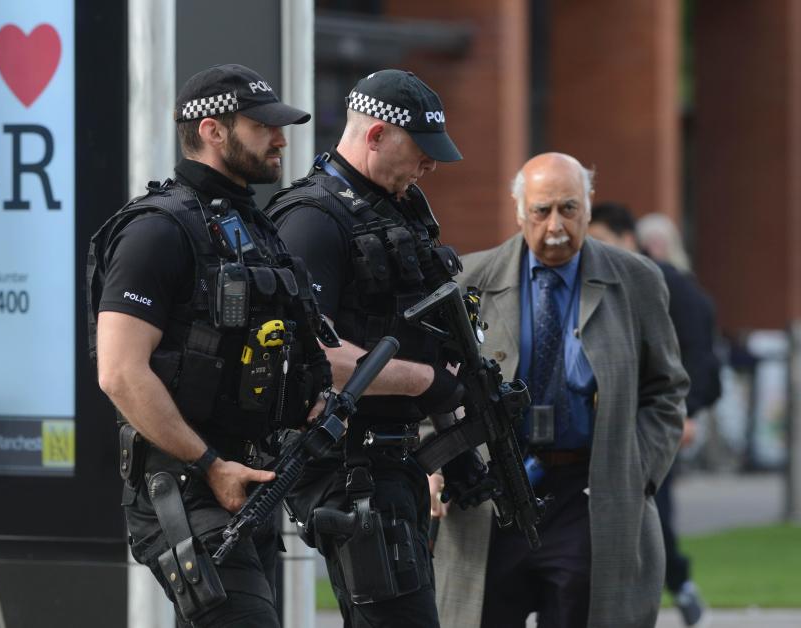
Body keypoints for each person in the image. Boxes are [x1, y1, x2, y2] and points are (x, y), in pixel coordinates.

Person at [87, 64, 332, 627]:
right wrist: (211, 464)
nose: (281, 139)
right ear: (213, 131)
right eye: (263, 125)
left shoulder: (252, 227)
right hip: (186, 485)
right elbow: (120, 373)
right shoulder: (157, 229)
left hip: (250, 482)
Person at [432, 153, 689, 628]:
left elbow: (667, 389)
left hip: (586, 495)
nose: (555, 225)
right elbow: (434, 385)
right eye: (542, 210)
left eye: (568, 209)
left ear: (589, 209)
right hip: (490, 494)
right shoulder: (469, 282)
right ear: (518, 211)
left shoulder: (636, 281)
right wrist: (435, 465)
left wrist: (638, 471)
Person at [265, 69, 467, 628]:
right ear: (375, 135)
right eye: (420, 151)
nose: (429, 165)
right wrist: (429, 382)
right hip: (349, 466)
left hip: (393, 461)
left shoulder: (394, 211)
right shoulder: (311, 219)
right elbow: (314, 359)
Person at [591, 205, 720, 626]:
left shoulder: (661, 282)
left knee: (650, 510)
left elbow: (697, 356)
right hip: (618, 421)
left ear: (630, 239)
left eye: (604, 239)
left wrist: (687, 412)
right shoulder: (610, 280)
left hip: (655, 420)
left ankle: (675, 585)